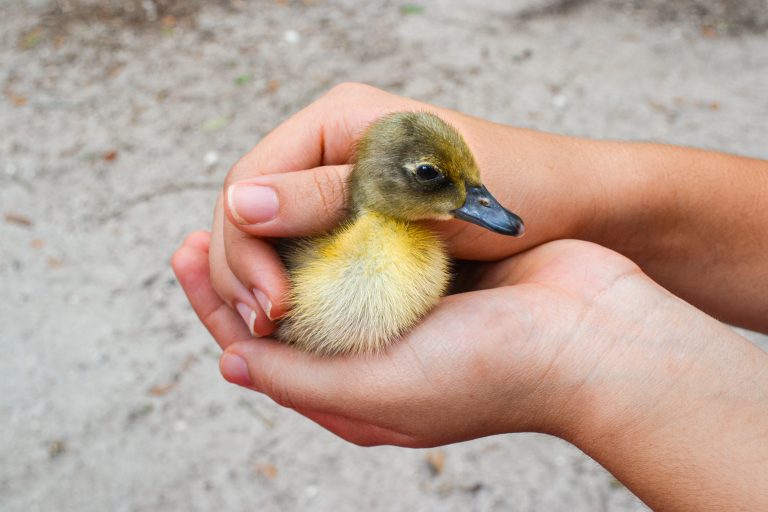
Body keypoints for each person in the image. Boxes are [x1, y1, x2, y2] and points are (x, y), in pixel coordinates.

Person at [171, 83, 768, 510]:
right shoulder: (365, 247)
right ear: (381, 181)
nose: (487, 206)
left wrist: (582, 358)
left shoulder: (416, 251)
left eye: (470, 184)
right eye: (434, 176)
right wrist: (592, 192)